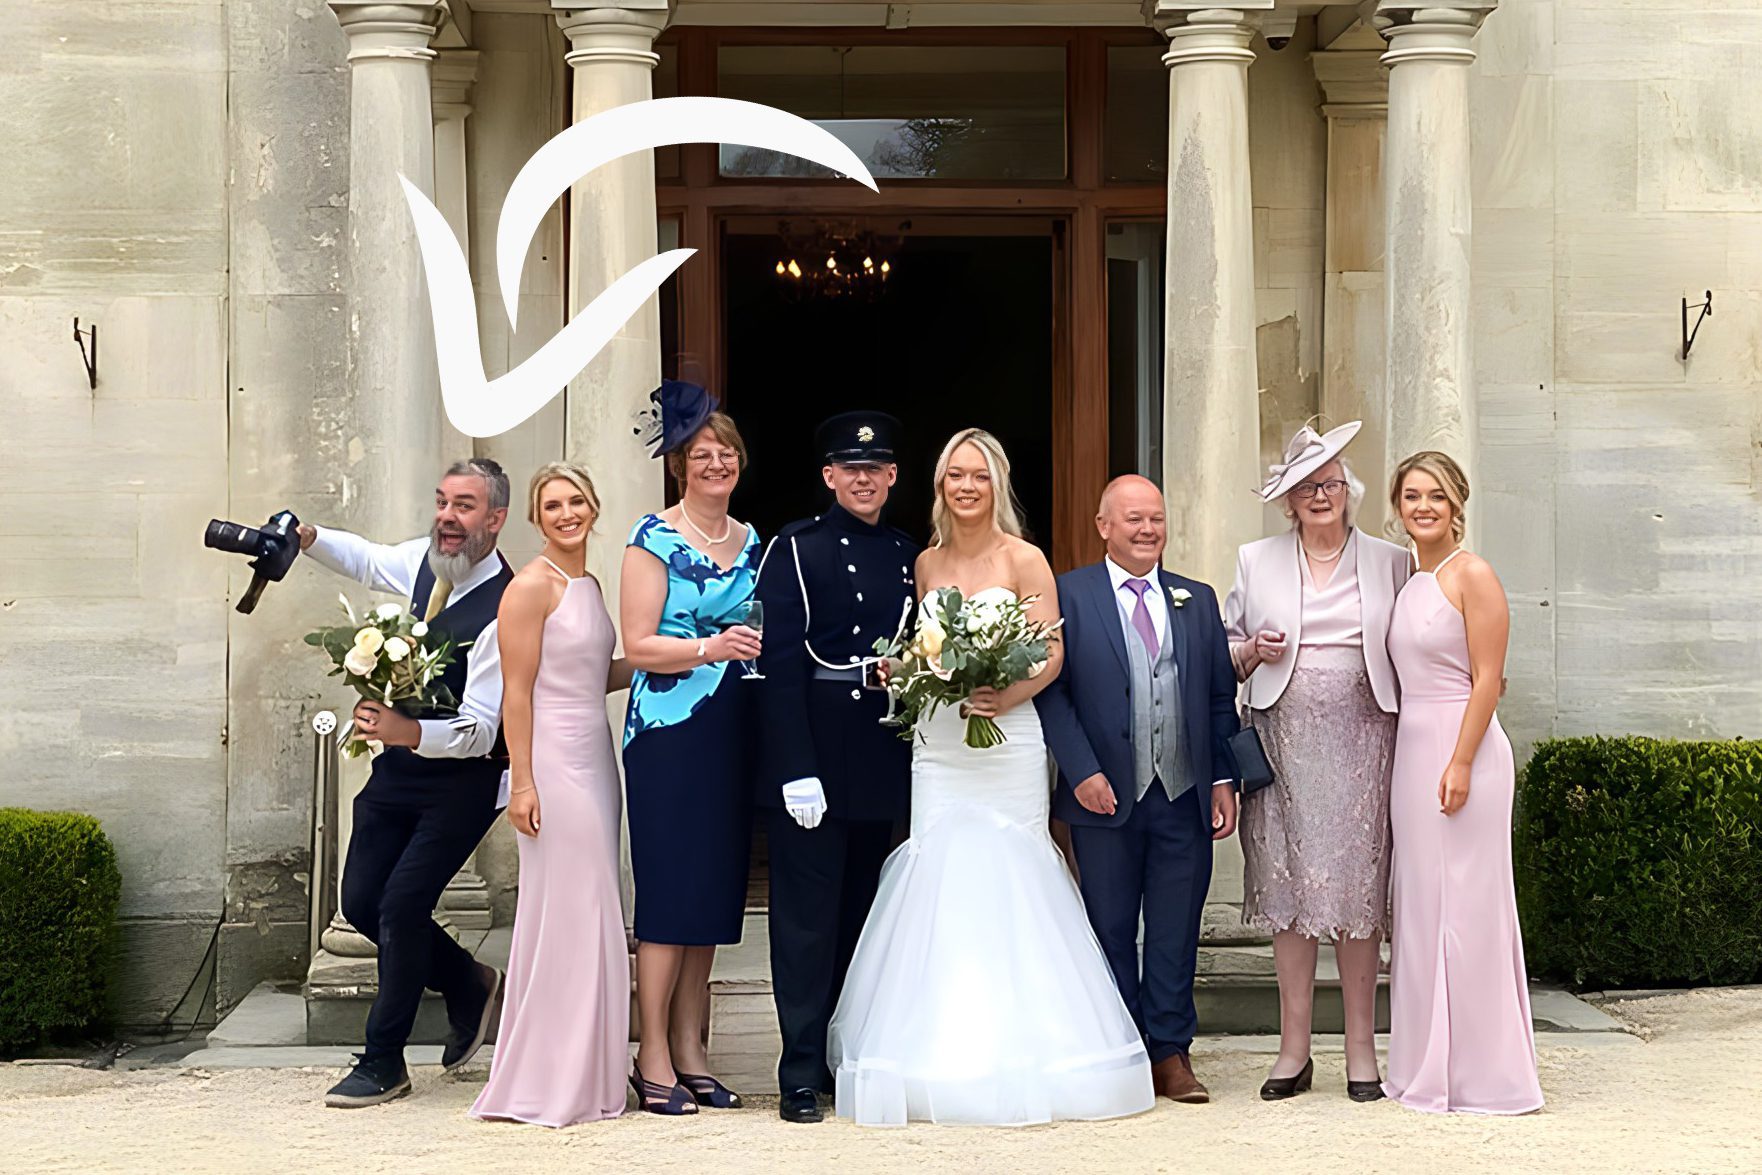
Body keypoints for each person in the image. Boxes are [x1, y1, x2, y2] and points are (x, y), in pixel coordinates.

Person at [829, 429, 1154, 1128]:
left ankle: (1035, 1048)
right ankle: (933, 1049)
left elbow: (1052, 651)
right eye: (954, 475)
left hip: (1006, 735)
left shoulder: (1024, 557)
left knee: (1014, 867)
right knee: (938, 869)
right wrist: (914, 673)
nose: (966, 486)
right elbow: (921, 645)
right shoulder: (925, 562)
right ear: (941, 485)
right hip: (941, 743)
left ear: (996, 483)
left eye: (978, 474)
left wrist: (1005, 695)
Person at [297, 458, 513, 1109]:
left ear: (495, 519)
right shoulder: (429, 559)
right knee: (362, 902)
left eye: (464, 506)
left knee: (400, 906)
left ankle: (384, 1058)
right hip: (397, 771)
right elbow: (366, 559)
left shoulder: (507, 607)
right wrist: (309, 537)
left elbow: (480, 729)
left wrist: (406, 729)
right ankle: (470, 983)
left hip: (464, 783)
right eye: (443, 501)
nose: (447, 516)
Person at [1035, 474, 1241, 1106]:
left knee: (1176, 929)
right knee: (1110, 927)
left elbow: (1215, 697)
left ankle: (1171, 1053)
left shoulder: (1197, 599)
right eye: (1133, 519)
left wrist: (1224, 779)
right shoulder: (1067, 593)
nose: (1148, 529)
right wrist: (1082, 771)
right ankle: (1121, 1049)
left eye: (1156, 518)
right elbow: (1052, 692)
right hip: (1103, 798)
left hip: (1182, 792)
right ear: (1104, 526)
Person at [1222, 420, 1410, 1102]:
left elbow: (1418, 638)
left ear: (1348, 490)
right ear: (1289, 502)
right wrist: (1251, 651)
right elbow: (1227, 646)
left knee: (1358, 894)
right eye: (1305, 487)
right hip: (1282, 737)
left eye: (1329, 483)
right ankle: (1293, 1049)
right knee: (1290, 894)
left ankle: (1362, 1048)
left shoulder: (1391, 560)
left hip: (1367, 742)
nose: (1320, 495)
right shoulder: (1255, 557)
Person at [752, 412, 918, 1125]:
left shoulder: (911, 553)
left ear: (892, 476)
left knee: (860, 915)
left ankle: (841, 1054)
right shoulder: (796, 548)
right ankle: (797, 1068)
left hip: (879, 752)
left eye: (876, 467)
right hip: (815, 749)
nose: (863, 478)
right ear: (828, 476)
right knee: (804, 921)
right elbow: (776, 665)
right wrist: (795, 766)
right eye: (850, 468)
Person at [470, 463, 632, 1127]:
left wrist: (682, 651)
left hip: (597, 756)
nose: (567, 513)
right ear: (537, 519)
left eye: (576, 501)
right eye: (553, 505)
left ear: (594, 506)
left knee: (594, 911)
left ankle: (589, 1068)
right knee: (564, 915)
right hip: (555, 766)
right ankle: (546, 1077)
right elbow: (518, 690)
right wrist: (525, 778)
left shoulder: (589, 584)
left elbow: (599, 673)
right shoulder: (530, 587)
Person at [1382, 451, 1543, 1115]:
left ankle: (1486, 1075)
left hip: (1463, 749)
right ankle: (1428, 1064)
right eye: (1412, 495)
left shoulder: (1471, 573)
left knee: (1470, 907)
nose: (1423, 507)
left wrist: (1462, 760)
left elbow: (1488, 678)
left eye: (1436, 497)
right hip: (1413, 749)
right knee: (1422, 907)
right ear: (1397, 506)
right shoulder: (1409, 578)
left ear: (1457, 506)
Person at [619, 381, 762, 1116]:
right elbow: (638, 645)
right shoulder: (653, 538)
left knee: (711, 891)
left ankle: (693, 1047)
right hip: (668, 731)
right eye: (702, 453)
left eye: (726, 452)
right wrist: (712, 645)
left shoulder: (752, 540)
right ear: (680, 464)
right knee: (670, 892)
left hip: (730, 729)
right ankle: (651, 1055)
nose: (716, 463)